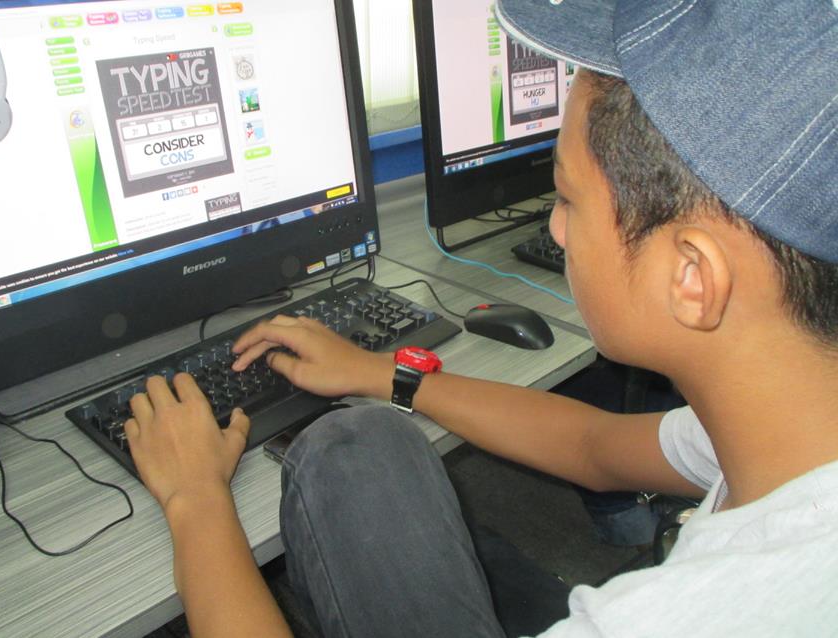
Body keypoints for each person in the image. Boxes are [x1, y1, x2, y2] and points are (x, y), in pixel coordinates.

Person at [122, 0, 838, 635]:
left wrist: (194, 497)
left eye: (566, 198)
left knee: (358, 476)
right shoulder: (790, 418)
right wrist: (384, 372)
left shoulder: (684, 617)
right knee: (367, 449)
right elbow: (593, 445)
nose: (555, 228)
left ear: (693, 277)